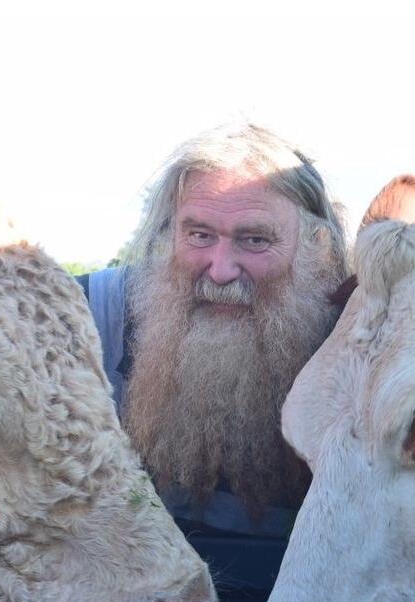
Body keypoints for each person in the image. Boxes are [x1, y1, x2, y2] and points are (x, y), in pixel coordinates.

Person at [76, 122, 349, 536]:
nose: (220, 271)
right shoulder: (88, 320)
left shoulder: (362, 349)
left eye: (255, 240)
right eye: (200, 235)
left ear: (319, 249)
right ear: (169, 235)